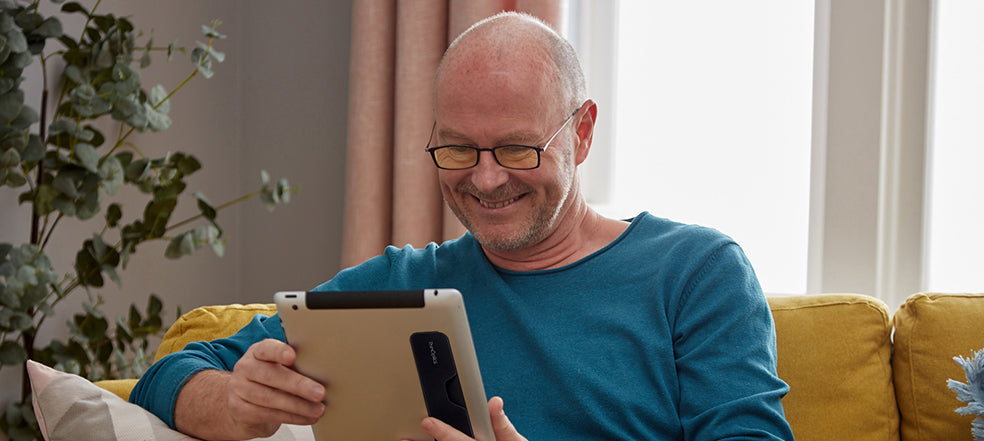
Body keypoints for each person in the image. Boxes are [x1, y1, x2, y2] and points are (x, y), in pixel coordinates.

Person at [130, 11, 795, 441]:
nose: (483, 179)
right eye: (456, 150)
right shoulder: (402, 283)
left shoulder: (697, 273)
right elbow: (166, 375)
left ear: (582, 132)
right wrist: (237, 403)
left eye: (515, 149)